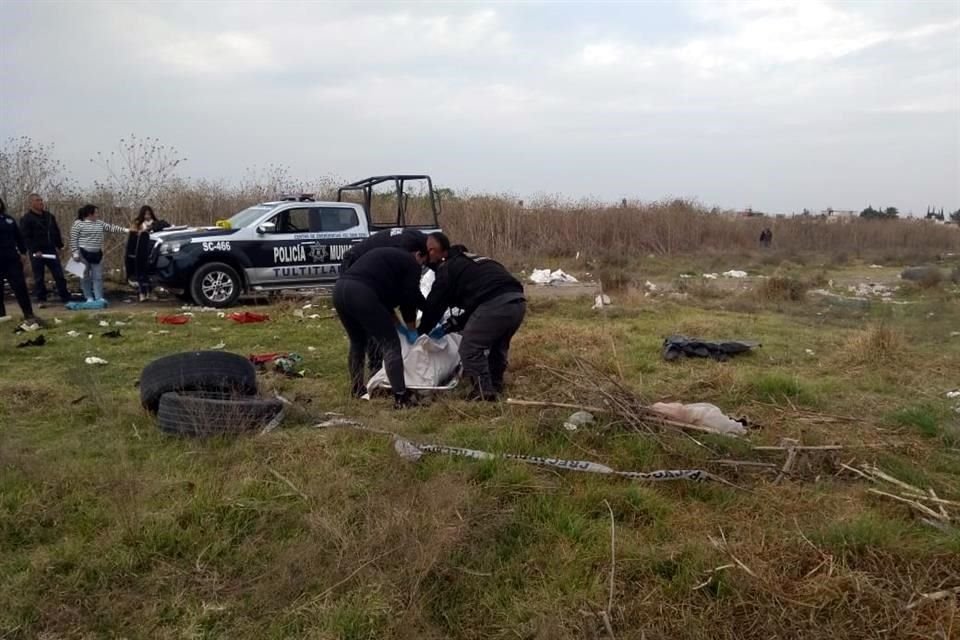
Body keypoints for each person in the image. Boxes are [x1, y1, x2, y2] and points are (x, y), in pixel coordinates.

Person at [418, 232, 526, 401]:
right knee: (497, 346)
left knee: (469, 348)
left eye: (428, 254)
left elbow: (434, 305)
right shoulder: (472, 261)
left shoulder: (447, 268)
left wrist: (421, 332)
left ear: (433, 251)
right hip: (517, 303)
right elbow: (477, 303)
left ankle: (484, 393)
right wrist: (453, 324)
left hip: (495, 303)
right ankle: (496, 385)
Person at [332, 246, 427, 408]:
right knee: (390, 344)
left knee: (357, 343)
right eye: (424, 262)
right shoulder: (411, 263)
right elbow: (409, 299)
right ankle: (401, 398)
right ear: (418, 254)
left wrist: (398, 324)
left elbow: (385, 303)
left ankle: (356, 388)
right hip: (362, 293)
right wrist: (414, 327)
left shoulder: (389, 261)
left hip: (340, 290)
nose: (423, 267)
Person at [340, 228, 429, 374]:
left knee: (375, 324)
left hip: (359, 282)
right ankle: (377, 369)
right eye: (424, 263)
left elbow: (395, 294)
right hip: (355, 269)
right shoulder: (406, 255)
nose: (422, 267)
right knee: (369, 328)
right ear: (421, 253)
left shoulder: (415, 242)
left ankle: (374, 371)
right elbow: (406, 295)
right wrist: (410, 329)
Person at [69, 204, 130, 303]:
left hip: (97, 253)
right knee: (85, 276)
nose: (98, 214)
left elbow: (112, 228)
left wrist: (127, 230)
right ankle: (88, 297)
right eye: (96, 212)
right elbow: (73, 239)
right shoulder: (78, 224)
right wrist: (75, 253)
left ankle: (99, 297)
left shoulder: (99, 223)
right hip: (83, 253)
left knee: (98, 276)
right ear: (90, 213)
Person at [19, 193, 71, 305]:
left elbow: (55, 232)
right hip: (37, 252)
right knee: (39, 276)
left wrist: (60, 246)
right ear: (31, 203)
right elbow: (25, 237)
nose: (41, 202)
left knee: (59, 274)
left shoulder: (49, 216)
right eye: (37, 200)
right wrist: (33, 249)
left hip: (50, 250)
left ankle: (65, 296)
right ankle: (41, 298)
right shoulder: (26, 219)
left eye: (41, 200)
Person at [0, 196, 38, 323]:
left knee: (20, 286)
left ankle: (28, 314)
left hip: (11, 257)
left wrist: (22, 252)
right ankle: (1, 315)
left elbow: (18, 237)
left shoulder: (8, 219)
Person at [130, 205, 170, 301]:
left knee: (150, 273)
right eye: (145, 214)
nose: (147, 216)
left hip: (152, 251)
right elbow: (133, 234)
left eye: (149, 214)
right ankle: (142, 292)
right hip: (140, 251)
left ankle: (150, 292)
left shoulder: (156, 223)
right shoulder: (138, 223)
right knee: (140, 273)